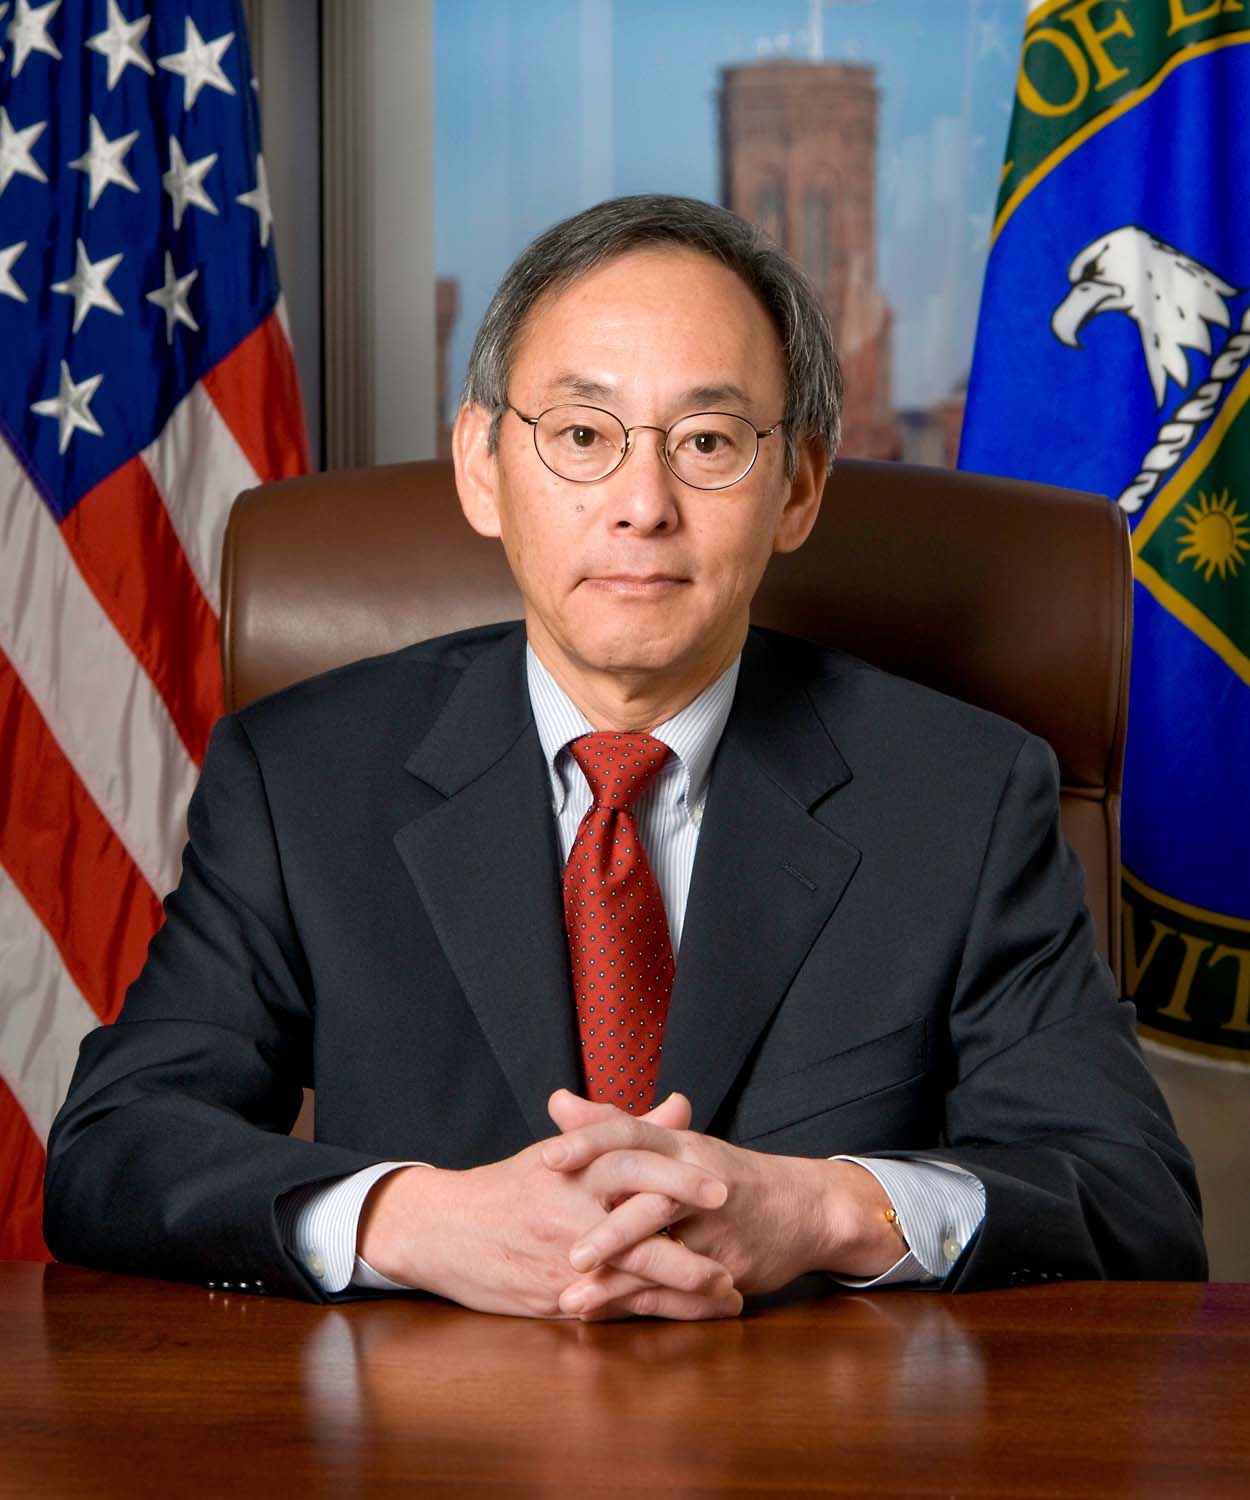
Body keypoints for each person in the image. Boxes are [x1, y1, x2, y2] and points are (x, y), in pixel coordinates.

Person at [44, 196, 1206, 1317]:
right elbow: (115, 1146)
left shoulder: (958, 793)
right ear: (482, 467)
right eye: (583, 436)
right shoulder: (300, 778)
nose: (642, 503)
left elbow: (1131, 1198)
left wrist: (823, 1209)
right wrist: (409, 1221)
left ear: (795, 487)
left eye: (706, 440)